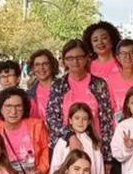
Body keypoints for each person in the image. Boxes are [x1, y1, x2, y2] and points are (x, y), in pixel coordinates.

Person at [46, 39, 114, 167]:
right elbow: (52, 117)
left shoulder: (99, 84)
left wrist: (107, 157)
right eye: (70, 58)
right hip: (65, 147)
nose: (75, 62)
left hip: (94, 147)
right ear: (64, 60)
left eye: (79, 57)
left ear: (87, 58)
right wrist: (70, 136)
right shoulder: (58, 85)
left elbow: (107, 121)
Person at [50, 103, 106, 174]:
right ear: (70, 120)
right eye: (77, 118)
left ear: (89, 121)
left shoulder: (94, 144)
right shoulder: (62, 142)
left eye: (84, 119)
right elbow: (55, 168)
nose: (80, 122)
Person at [26, 49, 59, 121]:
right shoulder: (28, 94)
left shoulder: (63, 87)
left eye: (45, 64)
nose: (41, 68)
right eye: (37, 64)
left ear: (52, 65)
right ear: (33, 68)